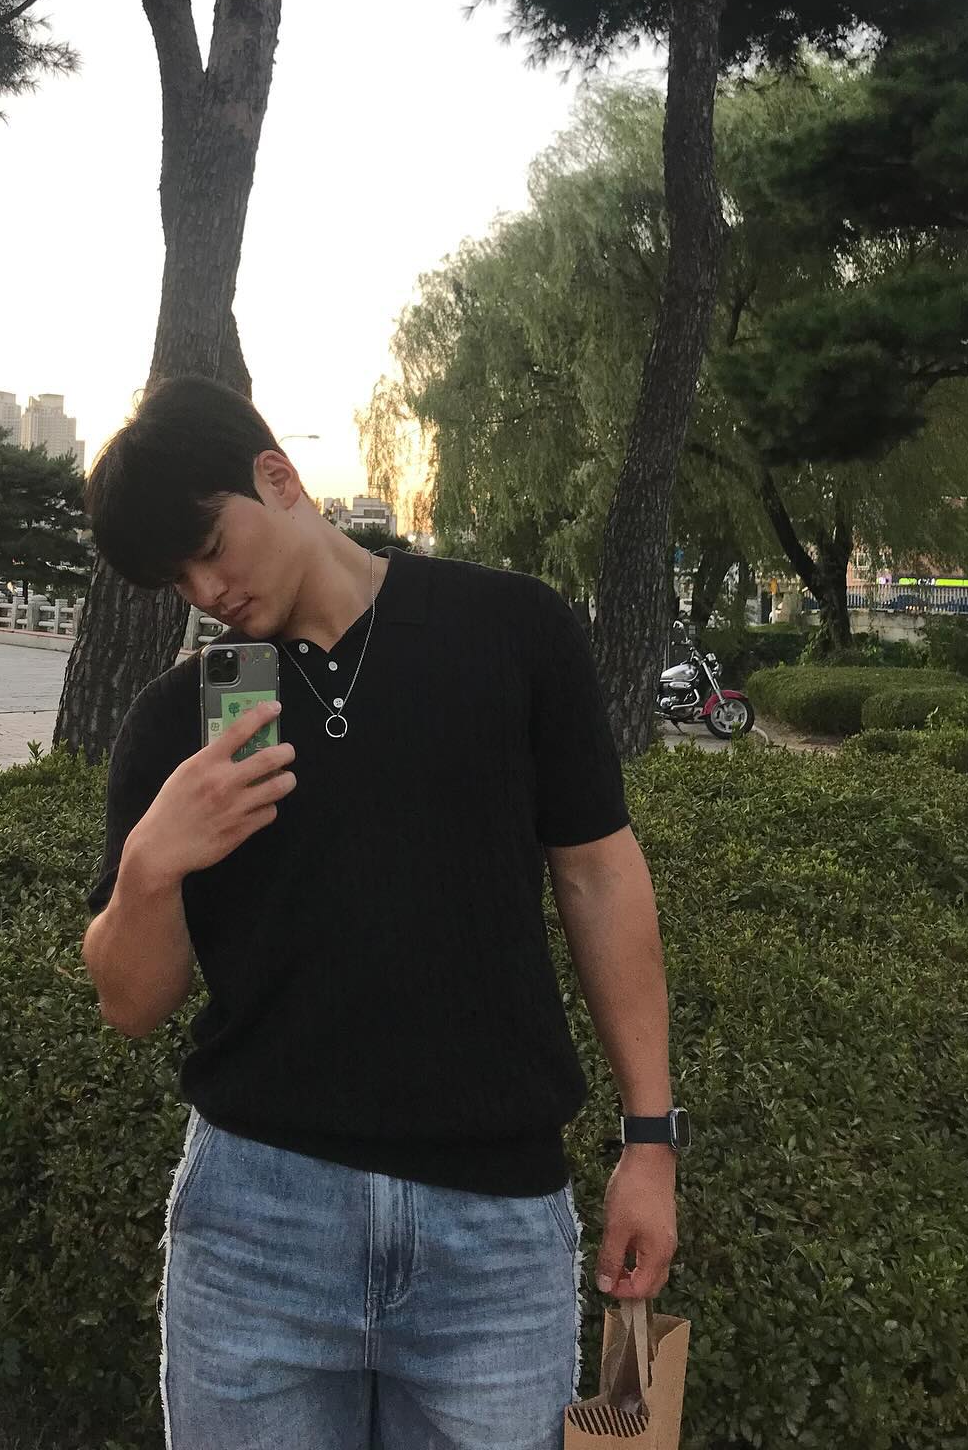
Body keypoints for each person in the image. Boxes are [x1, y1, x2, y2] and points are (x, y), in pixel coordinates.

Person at [81, 375, 683, 1450]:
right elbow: (131, 1005)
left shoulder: (512, 632)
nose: (207, 590)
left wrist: (650, 1141)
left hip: (492, 1228)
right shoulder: (176, 724)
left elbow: (600, 876)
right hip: (256, 1221)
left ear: (279, 478)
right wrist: (151, 865)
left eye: (210, 547)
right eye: (178, 578)